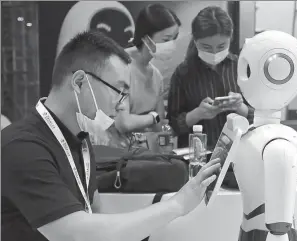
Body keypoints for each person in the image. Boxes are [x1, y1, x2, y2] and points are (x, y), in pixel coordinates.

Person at [1, 30, 221, 241]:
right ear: (79, 82)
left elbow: (94, 215)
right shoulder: (22, 147)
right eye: (118, 91)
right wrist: (177, 205)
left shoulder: (79, 139)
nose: (120, 104)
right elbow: (75, 234)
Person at [167, 6, 254, 149]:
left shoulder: (242, 67)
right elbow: (172, 126)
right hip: (197, 157)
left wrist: (241, 107)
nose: (214, 53)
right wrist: (197, 114)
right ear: (195, 41)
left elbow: (262, 119)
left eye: (221, 47)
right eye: (206, 47)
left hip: (239, 153)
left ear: (230, 38)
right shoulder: (183, 73)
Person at [116, 3, 181, 134]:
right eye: (166, 39)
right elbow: (123, 123)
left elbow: (160, 124)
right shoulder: (119, 66)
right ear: (146, 39)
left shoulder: (156, 76)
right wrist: (152, 117)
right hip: (116, 150)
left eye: (174, 38)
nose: (171, 44)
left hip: (145, 150)